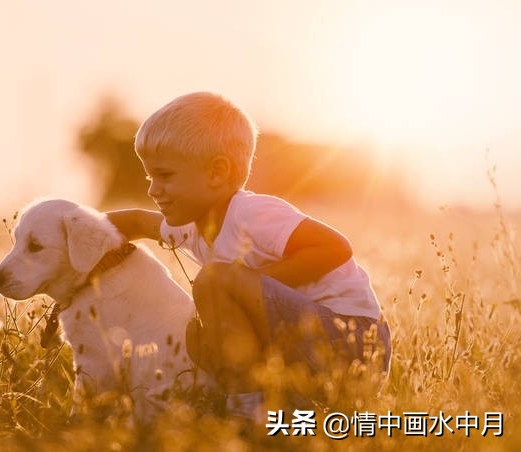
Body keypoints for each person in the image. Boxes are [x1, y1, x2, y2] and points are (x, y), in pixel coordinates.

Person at [105, 91, 391, 422]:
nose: (153, 189)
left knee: (215, 282)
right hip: (307, 346)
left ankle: (248, 413)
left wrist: (249, 284)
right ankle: (275, 407)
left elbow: (335, 247)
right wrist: (77, 232)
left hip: (354, 343)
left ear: (216, 173)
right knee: (197, 335)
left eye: (165, 175)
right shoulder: (191, 224)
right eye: (149, 177)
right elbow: (138, 222)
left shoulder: (252, 214)